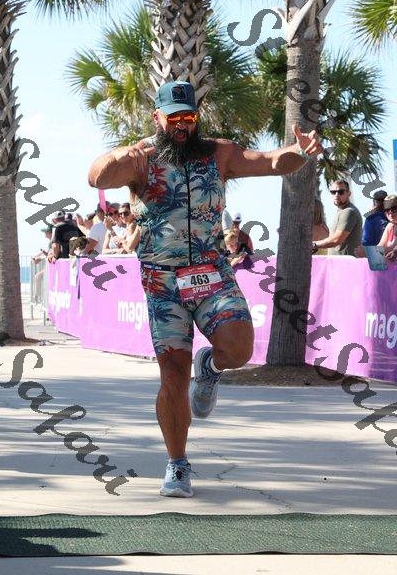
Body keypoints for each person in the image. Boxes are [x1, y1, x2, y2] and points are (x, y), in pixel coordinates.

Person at [88, 80, 323, 498]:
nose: (182, 125)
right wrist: (117, 156)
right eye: (174, 118)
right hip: (162, 281)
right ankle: (177, 464)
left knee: (240, 350)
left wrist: (300, 151)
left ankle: (211, 367)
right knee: (173, 374)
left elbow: (273, 161)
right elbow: (96, 177)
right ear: (157, 118)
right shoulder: (142, 159)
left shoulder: (218, 154)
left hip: (212, 272)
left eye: (189, 117)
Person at [312, 180, 362, 256]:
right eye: (333, 192)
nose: (336, 195)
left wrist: (313, 244)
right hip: (339, 261)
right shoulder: (341, 212)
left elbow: (336, 240)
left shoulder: (348, 212)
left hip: (345, 261)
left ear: (349, 194)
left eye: (341, 192)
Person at [355, 194, 397, 261]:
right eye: (387, 210)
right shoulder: (390, 226)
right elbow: (380, 246)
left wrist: (367, 253)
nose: (390, 212)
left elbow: (391, 248)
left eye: (394, 209)